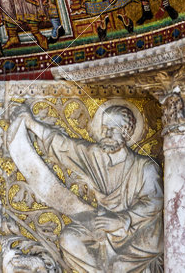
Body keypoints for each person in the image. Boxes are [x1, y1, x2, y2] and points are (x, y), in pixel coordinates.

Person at [9, 103, 162, 273]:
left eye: (114, 128)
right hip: (102, 224)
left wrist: (122, 220)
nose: (107, 133)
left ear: (126, 132)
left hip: (134, 232)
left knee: (120, 265)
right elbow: (64, 147)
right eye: (104, 128)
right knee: (69, 238)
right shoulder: (95, 155)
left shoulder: (145, 167)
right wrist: (31, 123)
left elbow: (154, 203)